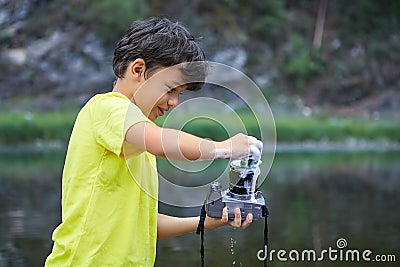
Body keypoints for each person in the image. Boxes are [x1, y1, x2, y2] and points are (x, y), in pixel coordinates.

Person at [44, 17, 263, 266]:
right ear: (138, 70)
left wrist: (206, 221)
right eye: (170, 89)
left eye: (179, 94)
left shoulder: (141, 141)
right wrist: (224, 148)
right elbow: (162, 142)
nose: (173, 103)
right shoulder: (107, 108)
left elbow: (145, 223)